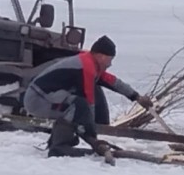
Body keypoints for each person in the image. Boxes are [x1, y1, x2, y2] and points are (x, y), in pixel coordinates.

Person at [22, 35, 154, 158]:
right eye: (110, 59)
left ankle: (67, 139)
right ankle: (59, 146)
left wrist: (136, 97)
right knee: (76, 105)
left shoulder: (91, 63)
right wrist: (92, 135)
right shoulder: (86, 67)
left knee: (79, 104)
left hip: (49, 97)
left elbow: (113, 82)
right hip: (38, 100)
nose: (110, 64)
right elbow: (88, 100)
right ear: (101, 56)